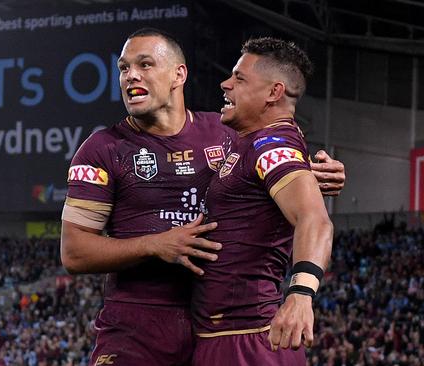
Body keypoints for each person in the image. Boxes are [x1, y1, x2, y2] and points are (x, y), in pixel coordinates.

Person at [60, 28, 344, 365]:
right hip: (138, 330)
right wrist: (155, 244)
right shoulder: (101, 149)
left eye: (145, 64)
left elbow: (266, 171)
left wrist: (310, 175)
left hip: (215, 329)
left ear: (179, 74)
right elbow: (75, 253)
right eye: (123, 68)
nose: (131, 75)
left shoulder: (227, 133)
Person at [191, 37, 333, 366]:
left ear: (273, 92)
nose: (225, 84)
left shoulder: (271, 144)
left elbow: (315, 219)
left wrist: (300, 293)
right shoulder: (253, 142)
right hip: (225, 337)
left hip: (249, 342)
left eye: (239, 79)